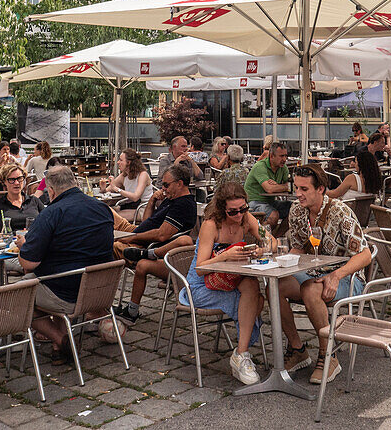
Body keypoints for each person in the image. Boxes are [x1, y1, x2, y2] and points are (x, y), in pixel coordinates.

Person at [278, 164, 371, 384]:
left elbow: (365, 255)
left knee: (311, 290)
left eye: (304, 189)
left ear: (320, 189)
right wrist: (282, 263)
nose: (298, 193)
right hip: (314, 271)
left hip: (348, 277)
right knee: (275, 286)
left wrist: (336, 275)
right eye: (296, 187)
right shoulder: (296, 210)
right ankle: (298, 348)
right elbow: (299, 248)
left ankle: (328, 355)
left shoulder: (340, 210)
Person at [16, 165, 114, 355]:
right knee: (52, 274)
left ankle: (60, 339)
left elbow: (28, 263)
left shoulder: (51, 213)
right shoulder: (103, 208)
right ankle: (60, 344)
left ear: (50, 191)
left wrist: (23, 247)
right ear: (75, 183)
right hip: (99, 291)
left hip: (66, 294)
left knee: (15, 296)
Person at [181, 180, 268, 386]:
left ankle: (240, 353)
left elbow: (270, 239)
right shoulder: (212, 225)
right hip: (200, 286)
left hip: (229, 280)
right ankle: (241, 354)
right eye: (233, 212)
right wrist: (226, 255)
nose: (238, 215)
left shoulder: (246, 218)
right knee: (254, 300)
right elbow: (200, 268)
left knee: (253, 287)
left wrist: (260, 250)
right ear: (222, 209)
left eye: (243, 209)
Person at [112, 165, 198, 323]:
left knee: (109, 246)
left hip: (145, 242)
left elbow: (162, 235)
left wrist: (131, 238)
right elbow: (147, 222)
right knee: (104, 210)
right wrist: (152, 200)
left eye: (166, 185)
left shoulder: (182, 204)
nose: (163, 188)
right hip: (138, 232)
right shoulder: (170, 199)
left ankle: (107, 306)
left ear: (179, 184)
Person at [0, 166, 44, 234]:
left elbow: (49, 222)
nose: (16, 183)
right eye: (11, 180)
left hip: (33, 241)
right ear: (4, 182)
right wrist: (2, 237)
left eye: (19, 178)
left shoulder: (34, 201)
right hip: (8, 242)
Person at [244, 141, 291, 230]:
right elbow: (269, 189)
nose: (284, 159)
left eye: (286, 156)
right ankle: (262, 238)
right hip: (253, 202)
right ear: (272, 156)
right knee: (273, 215)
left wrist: (278, 186)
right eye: (281, 156)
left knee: (294, 210)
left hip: (270, 202)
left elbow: (291, 186)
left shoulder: (283, 168)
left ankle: (276, 237)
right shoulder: (260, 166)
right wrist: (284, 186)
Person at [103, 148, 152, 222]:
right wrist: (103, 188)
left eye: (121, 160)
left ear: (128, 162)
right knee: (104, 212)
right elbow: (108, 190)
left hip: (144, 209)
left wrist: (117, 189)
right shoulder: (124, 175)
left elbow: (135, 197)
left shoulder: (143, 175)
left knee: (112, 216)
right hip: (130, 206)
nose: (118, 162)